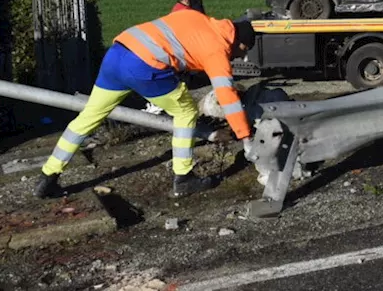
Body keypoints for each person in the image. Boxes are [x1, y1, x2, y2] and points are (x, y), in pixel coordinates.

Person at [34, 10, 258, 199]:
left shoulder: (197, 17)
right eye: (243, 52)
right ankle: (184, 178)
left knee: (89, 117)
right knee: (186, 111)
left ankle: (48, 175)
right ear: (239, 42)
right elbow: (227, 95)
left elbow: (177, 41)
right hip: (144, 66)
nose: (240, 58)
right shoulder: (217, 49)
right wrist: (244, 136)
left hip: (117, 54)